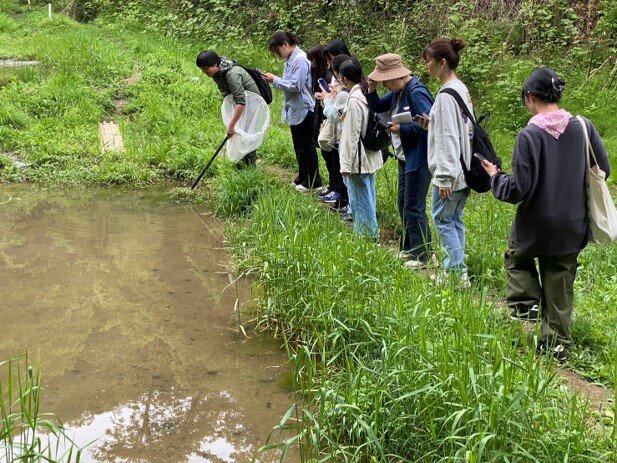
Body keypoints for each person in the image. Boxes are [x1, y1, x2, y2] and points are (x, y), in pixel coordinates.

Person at [481, 67, 610, 363]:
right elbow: (604, 170)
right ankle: (556, 346)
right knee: (560, 282)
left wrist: (495, 177)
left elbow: (519, 189)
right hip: (572, 225)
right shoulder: (584, 127)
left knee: (516, 258)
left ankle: (527, 305)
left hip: (535, 226)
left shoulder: (529, 135)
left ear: (530, 97)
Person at [366, 53, 435, 269]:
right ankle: (410, 249)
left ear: (396, 76)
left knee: (414, 206)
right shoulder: (398, 93)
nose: (384, 84)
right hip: (405, 158)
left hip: (419, 158)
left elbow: (430, 125)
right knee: (403, 204)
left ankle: (424, 255)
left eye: (385, 80)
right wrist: (371, 89)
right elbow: (377, 106)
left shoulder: (416, 92)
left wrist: (401, 129)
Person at [421, 38, 473, 286]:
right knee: (454, 220)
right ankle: (457, 270)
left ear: (442, 63)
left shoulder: (444, 97)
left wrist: (444, 177)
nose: (426, 66)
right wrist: (431, 125)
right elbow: (462, 130)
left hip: (450, 173)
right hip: (464, 170)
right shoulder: (460, 89)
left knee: (442, 221)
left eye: (429, 61)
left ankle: (454, 273)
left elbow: (449, 138)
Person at [261, 32, 322, 191]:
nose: (278, 54)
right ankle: (303, 176)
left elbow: (296, 86)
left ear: (285, 44)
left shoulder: (300, 60)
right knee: (299, 146)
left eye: (277, 50)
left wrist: (274, 80)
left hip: (304, 108)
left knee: (307, 146)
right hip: (294, 108)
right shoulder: (290, 60)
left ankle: (314, 181)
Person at [338, 57, 384, 238]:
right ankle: (371, 233)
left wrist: (346, 165)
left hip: (359, 158)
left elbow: (351, 135)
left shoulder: (355, 99)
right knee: (368, 195)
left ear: (343, 78)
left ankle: (367, 237)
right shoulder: (366, 93)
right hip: (370, 153)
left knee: (360, 199)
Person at [196, 50, 260, 168]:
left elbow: (241, 101)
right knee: (237, 133)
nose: (204, 72)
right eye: (202, 69)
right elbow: (228, 97)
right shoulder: (216, 74)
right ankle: (240, 165)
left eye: (205, 68)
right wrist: (233, 121)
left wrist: (231, 125)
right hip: (240, 106)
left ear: (215, 64)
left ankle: (250, 168)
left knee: (246, 135)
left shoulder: (232, 74)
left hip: (252, 107)